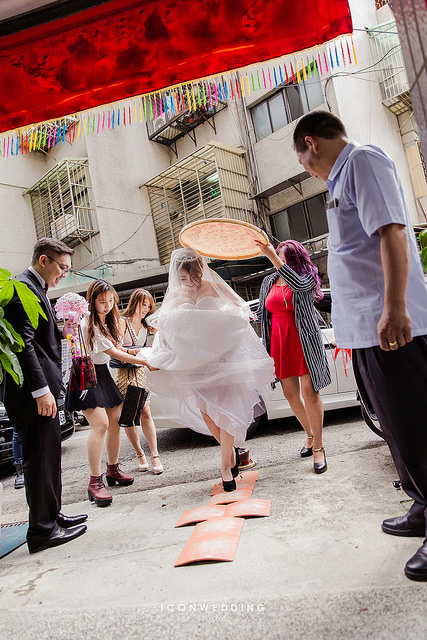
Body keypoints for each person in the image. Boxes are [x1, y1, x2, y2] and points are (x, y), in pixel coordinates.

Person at [293, 110, 427, 581]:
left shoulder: (364, 161)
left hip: (389, 323)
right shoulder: (340, 180)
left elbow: (390, 231)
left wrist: (394, 307)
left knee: (416, 423)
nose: (309, 171)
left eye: (305, 163)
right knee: (394, 423)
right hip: (365, 328)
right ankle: (421, 504)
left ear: (311, 143)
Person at [140, 247, 275, 492]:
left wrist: (223, 324)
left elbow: (241, 309)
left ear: (199, 272)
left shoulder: (214, 287)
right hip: (196, 368)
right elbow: (167, 331)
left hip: (223, 361)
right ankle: (231, 452)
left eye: (191, 277)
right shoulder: (176, 297)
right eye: (182, 279)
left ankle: (225, 467)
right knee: (208, 414)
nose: (188, 283)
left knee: (228, 412)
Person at [3, 238, 87, 554]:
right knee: (39, 459)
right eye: (62, 267)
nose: (65, 273)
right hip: (31, 394)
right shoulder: (20, 288)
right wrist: (41, 392)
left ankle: (53, 516)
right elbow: (22, 345)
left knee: (50, 457)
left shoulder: (36, 288)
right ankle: (41, 531)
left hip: (44, 390)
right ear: (43, 260)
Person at [66, 279, 157, 507]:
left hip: (102, 373)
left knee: (115, 420)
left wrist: (139, 353)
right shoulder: (90, 323)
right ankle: (95, 481)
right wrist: (144, 361)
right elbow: (113, 350)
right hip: (86, 374)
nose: (106, 305)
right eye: (101, 301)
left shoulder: (108, 322)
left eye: (109, 301)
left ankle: (112, 470)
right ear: (92, 301)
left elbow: (116, 349)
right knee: (101, 425)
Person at [254, 239, 331, 474]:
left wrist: (272, 258)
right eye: (278, 254)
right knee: (290, 394)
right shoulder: (268, 281)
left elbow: (297, 286)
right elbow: (260, 312)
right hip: (279, 341)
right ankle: (309, 434)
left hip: (304, 340)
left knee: (310, 392)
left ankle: (319, 447)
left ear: (295, 258)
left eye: (283, 255)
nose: (279, 258)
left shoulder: (306, 276)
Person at [114, 288, 163, 474]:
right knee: (130, 416)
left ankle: (155, 455)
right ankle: (139, 453)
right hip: (123, 373)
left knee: (146, 411)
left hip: (140, 371)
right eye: (143, 304)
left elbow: (162, 335)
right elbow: (116, 349)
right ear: (135, 302)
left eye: (149, 305)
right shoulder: (122, 322)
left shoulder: (147, 325)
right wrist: (137, 352)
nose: (145, 308)